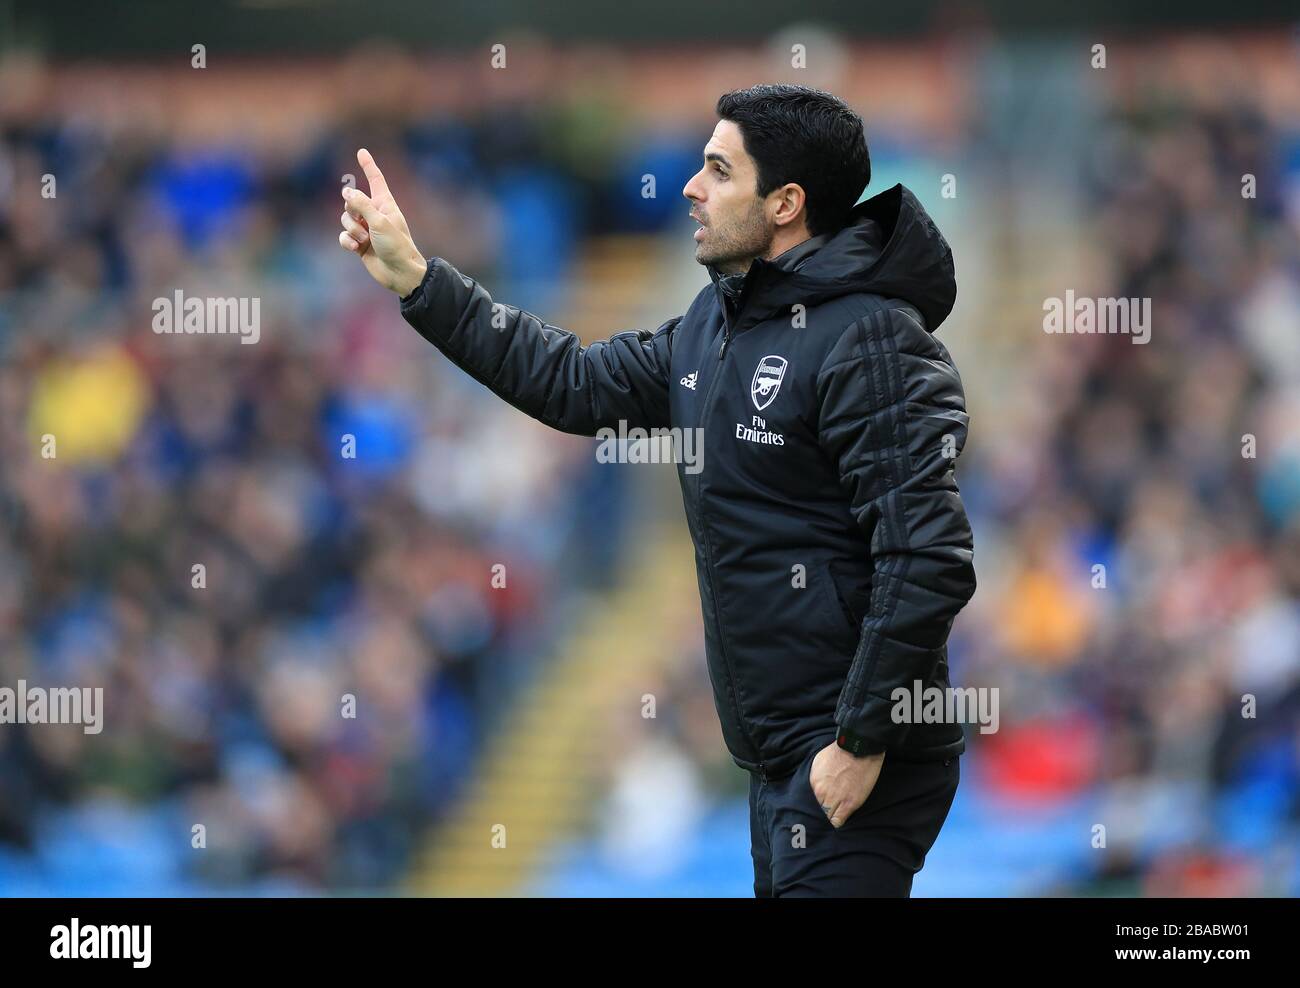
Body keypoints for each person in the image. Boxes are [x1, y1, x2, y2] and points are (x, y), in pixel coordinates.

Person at [338, 83, 976, 897]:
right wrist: (422, 284)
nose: (690, 186)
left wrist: (860, 738)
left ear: (785, 203)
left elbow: (928, 555)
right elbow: (573, 382)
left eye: (718, 169)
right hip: (782, 758)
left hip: (856, 757)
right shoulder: (714, 326)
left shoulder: (871, 338)